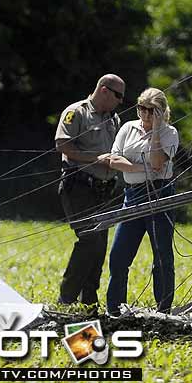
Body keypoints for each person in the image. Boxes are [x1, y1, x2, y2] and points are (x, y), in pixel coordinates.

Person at [104, 87, 178, 316]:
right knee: (118, 256)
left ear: (161, 111)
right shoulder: (128, 128)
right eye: (141, 108)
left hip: (160, 193)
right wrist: (140, 168)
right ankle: (115, 309)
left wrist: (155, 130)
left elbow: (158, 161)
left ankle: (163, 309)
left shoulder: (169, 133)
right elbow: (113, 159)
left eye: (151, 110)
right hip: (133, 194)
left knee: (161, 256)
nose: (145, 114)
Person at [55, 74, 125, 308]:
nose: (120, 101)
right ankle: (66, 298)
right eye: (118, 96)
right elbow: (62, 144)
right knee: (89, 240)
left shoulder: (113, 119)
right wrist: (96, 159)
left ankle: (89, 301)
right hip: (79, 185)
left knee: (99, 247)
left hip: (104, 190)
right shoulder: (77, 112)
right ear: (104, 90)